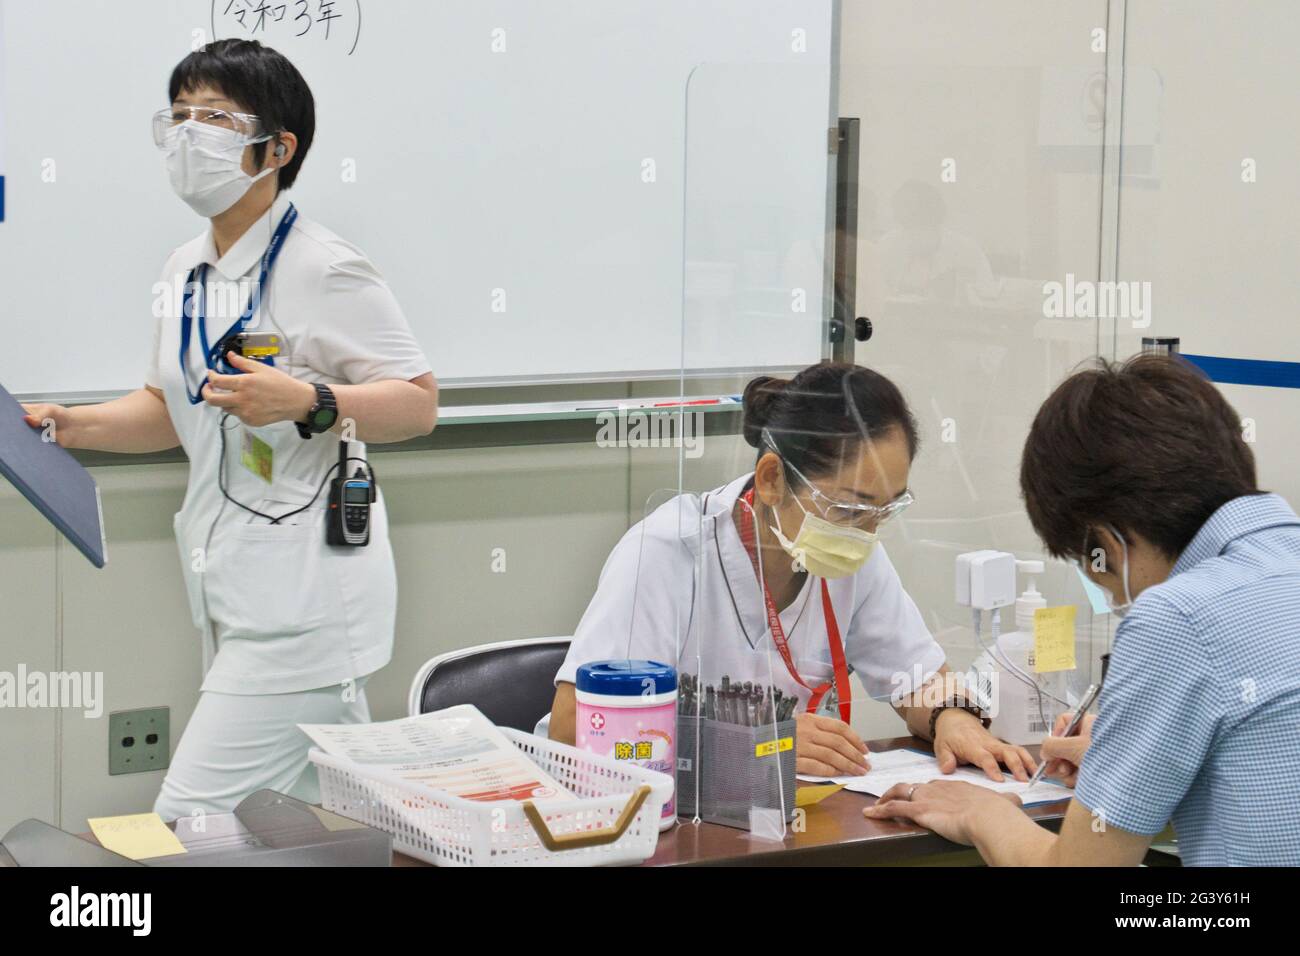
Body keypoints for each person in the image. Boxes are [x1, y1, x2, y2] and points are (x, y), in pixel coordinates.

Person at [21, 40, 437, 818]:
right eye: (177, 117)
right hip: (232, 587)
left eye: (213, 118)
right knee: (319, 824)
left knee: (187, 821)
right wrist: (69, 426)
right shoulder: (185, 268)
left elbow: (417, 404)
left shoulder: (324, 267)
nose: (187, 137)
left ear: (277, 149)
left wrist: (311, 401)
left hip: (303, 608)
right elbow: (171, 409)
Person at [864, 354, 1300, 866]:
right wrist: (1128, 760)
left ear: (1105, 543)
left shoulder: (1175, 617)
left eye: (1097, 573)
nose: (1116, 601)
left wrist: (981, 813)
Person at [550, 361, 1036, 782]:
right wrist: (756, 743)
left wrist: (954, 718)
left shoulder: (853, 553)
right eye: (848, 508)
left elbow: (921, 677)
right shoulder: (665, 554)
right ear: (771, 480)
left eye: (886, 512)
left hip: (782, 820)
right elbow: (574, 728)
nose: (866, 532)